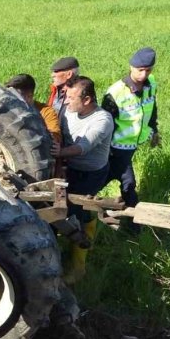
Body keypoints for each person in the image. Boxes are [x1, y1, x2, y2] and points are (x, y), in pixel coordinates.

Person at [51, 76, 113, 284]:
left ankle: (78, 267)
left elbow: (82, 147)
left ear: (86, 100)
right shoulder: (69, 110)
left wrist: (59, 153)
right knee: (62, 208)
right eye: (65, 97)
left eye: (71, 97)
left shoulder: (102, 121)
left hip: (90, 174)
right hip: (69, 167)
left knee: (79, 212)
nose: (66, 102)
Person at [101, 47, 160, 231]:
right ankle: (135, 225)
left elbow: (152, 109)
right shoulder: (116, 92)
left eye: (148, 70)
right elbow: (105, 123)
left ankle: (88, 205)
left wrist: (154, 130)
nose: (143, 75)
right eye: (139, 70)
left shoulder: (151, 84)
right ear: (131, 67)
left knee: (107, 177)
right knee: (127, 182)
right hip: (116, 147)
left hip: (132, 145)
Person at [5, 73, 63, 151]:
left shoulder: (46, 111)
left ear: (29, 96)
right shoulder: (7, 109)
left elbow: (55, 136)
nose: (11, 99)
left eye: (15, 97)